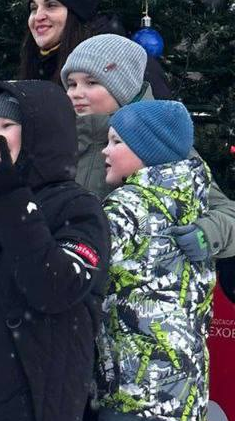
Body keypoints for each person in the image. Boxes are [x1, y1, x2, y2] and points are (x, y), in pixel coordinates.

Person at [0, 80, 110, 421]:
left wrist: (12, 197)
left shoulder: (77, 206)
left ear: (42, 132)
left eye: (8, 125)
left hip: (32, 400)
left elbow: (56, 288)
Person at [61, 34, 235, 261]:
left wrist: (207, 233)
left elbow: (226, 212)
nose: (76, 92)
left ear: (123, 86)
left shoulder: (156, 140)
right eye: (71, 83)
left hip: (137, 287)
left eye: (92, 82)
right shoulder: (59, 141)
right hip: (67, 282)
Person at [95, 101, 215, 421]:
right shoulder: (194, 204)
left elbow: (83, 271)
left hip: (134, 391)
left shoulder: (128, 204)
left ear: (148, 150)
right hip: (185, 393)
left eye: (117, 142)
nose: (106, 152)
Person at [20, 0, 170, 97]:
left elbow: (160, 122)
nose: (38, 16)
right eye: (33, 8)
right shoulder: (39, 61)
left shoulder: (124, 62)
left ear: (76, 13)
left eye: (51, 5)